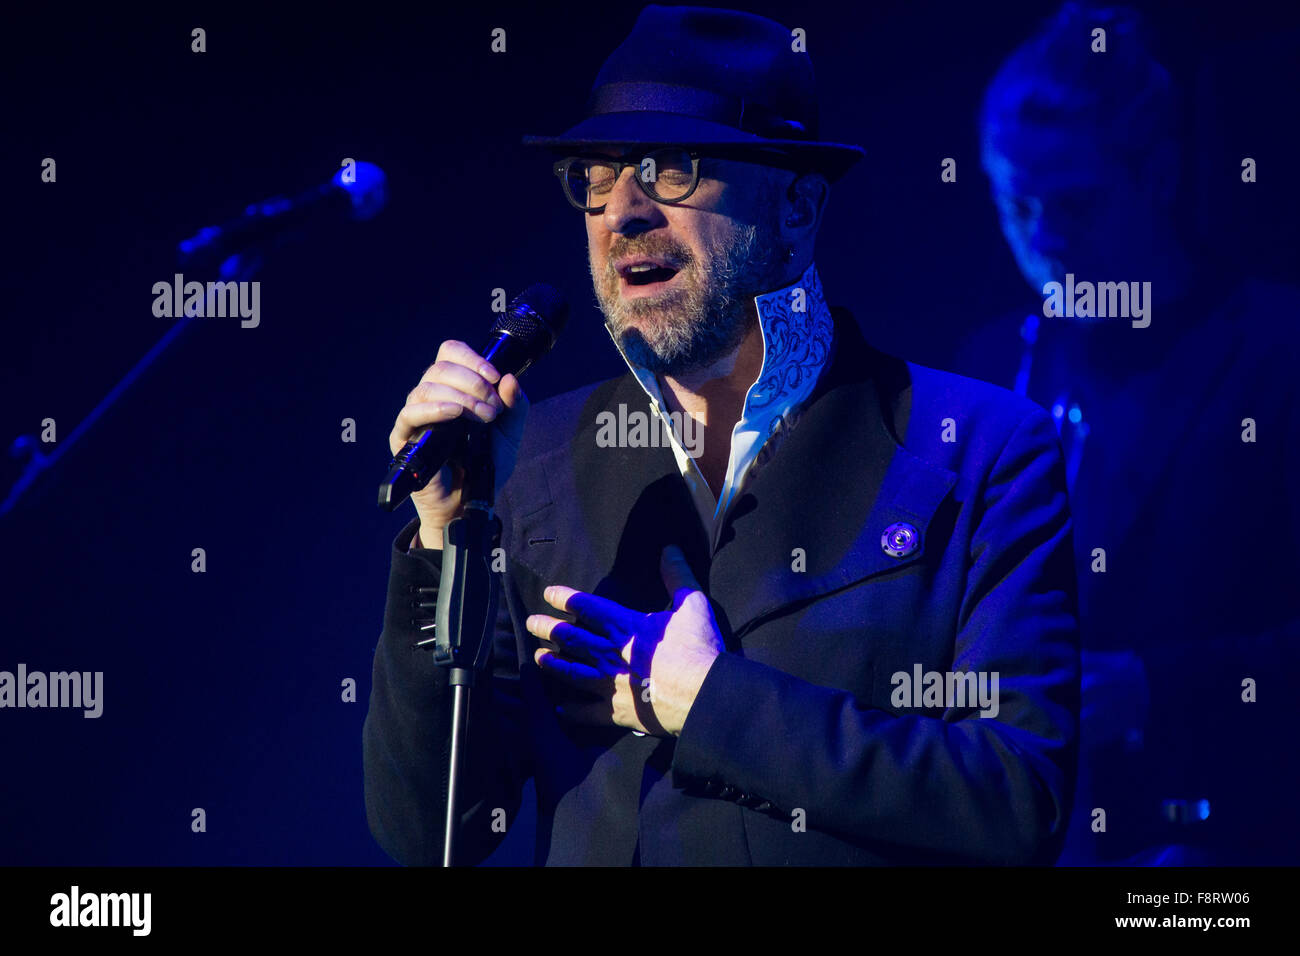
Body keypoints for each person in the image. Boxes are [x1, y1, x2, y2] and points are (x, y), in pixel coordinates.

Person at [363, 5, 1080, 866]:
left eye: (670, 169)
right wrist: (446, 538)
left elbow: (1015, 801)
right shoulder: (529, 465)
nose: (619, 212)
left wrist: (709, 702)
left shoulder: (980, 449)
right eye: (594, 176)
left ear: (797, 209)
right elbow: (430, 830)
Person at [967, 2, 1300, 863]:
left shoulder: (1279, 352)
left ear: (1156, 174)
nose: (1044, 247)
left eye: (1075, 206)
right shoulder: (989, 361)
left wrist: (1154, 689)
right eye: (1015, 206)